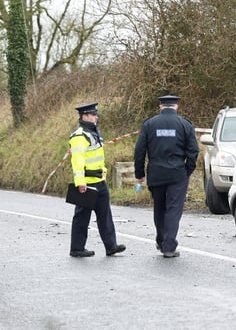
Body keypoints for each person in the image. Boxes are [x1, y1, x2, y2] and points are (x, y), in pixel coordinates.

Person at [134, 95, 199, 258]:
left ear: (160, 106)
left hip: (156, 172)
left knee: (159, 207)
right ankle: (168, 245)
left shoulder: (149, 124)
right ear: (176, 107)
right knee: (173, 209)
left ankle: (161, 239)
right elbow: (193, 151)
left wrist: (139, 173)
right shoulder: (185, 124)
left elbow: (139, 151)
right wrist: (187, 170)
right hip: (177, 173)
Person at [68, 102, 126, 257]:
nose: (96, 117)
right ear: (84, 116)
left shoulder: (93, 132)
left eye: (96, 114)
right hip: (87, 183)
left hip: (99, 181)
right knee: (82, 217)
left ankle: (111, 246)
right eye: (93, 114)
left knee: (105, 215)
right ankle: (77, 248)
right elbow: (77, 161)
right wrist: (80, 182)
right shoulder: (79, 136)